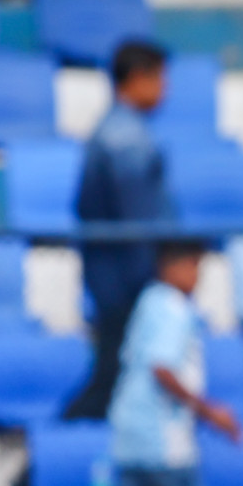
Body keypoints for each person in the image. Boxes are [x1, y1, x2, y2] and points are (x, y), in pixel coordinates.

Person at [64, 39, 174, 421]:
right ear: (138, 78)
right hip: (126, 282)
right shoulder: (125, 139)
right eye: (160, 78)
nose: (166, 89)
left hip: (113, 276)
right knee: (112, 377)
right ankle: (40, 470)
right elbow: (138, 220)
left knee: (116, 374)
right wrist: (154, 275)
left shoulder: (114, 131)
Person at [107, 241, 242, 486]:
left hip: (129, 434)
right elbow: (162, 369)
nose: (197, 276)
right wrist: (209, 412)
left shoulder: (149, 300)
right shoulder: (173, 307)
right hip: (162, 439)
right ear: (169, 265)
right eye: (193, 266)